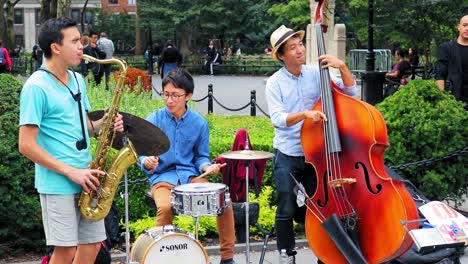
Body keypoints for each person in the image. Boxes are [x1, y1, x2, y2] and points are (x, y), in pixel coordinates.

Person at [18, 17, 124, 264]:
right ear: (55, 47)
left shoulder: (76, 80)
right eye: (75, 41)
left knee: (91, 248)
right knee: (65, 251)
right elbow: (26, 144)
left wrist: (106, 123)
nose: (82, 47)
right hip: (58, 182)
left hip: (87, 178)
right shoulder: (36, 87)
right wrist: (71, 172)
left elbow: (84, 126)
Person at [264, 25, 357, 264]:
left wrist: (342, 66)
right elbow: (278, 119)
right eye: (292, 47)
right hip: (288, 151)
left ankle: (325, 253)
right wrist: (304, 115)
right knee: (285, 205)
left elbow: (350, 90)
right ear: (281, 55)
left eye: (300, 45)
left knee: (322, 207)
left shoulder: (317, 73)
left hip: (316, 153)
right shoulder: (274, 83)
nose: (299, 50)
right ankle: (287, 253)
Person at [138, 67, 235, 264]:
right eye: (166, 94)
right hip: (162, 179)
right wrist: (146, 161)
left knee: (224, 201)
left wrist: (207, 167)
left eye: (175, 95)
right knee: (165, 208)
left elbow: (201, 157)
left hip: (191, 178)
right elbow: (140, 152)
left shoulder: (199, 124)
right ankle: (158, 258)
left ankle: (227, 258)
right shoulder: (154, 120)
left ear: (188, 96)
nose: (169, 100)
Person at [435, 15, 468, 108]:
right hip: (454, 100)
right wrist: (441, 100)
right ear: (459, 27)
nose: (467, 28)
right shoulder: (446, 48)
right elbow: (440, 75)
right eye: (465, 25)